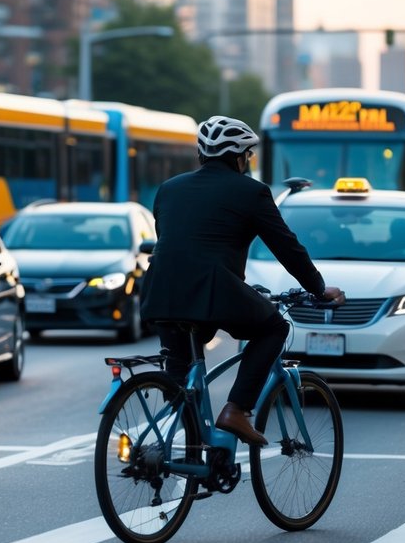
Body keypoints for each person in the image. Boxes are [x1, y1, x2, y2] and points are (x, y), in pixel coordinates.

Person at [139, 115, 344, 446]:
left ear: (203, 154)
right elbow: (286, 247)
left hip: (159, 293)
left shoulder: (169, 189)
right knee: (274, 328)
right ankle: (237, 410)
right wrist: (318, 287)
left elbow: (176, 243)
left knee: (180, 384)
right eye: (247, 156)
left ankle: (185, 453)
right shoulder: (252, 192)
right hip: (214, 290)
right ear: (239, 157)